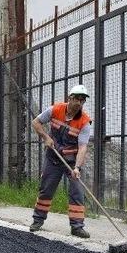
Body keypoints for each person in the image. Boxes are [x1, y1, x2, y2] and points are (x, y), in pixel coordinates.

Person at [29, 84, 93, 238]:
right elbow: (36, 122)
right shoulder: (55, 110)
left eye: (82, 100)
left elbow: (83, 147)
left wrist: (77, 167)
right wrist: (46, 137)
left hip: (71, 161)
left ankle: (77, 227)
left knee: (77, 191)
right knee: (46, 188)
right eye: (77, 98)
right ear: (69, 98)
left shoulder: (84, 121)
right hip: (53, 157)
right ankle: (38, 220)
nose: (79, 102)